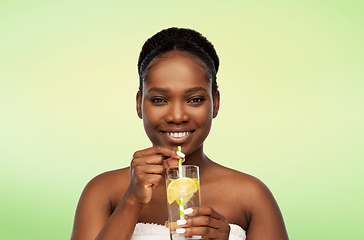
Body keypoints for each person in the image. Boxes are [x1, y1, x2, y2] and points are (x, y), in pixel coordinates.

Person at [70, 27, 289, 240]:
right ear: (139, 104)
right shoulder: (103, 192)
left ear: (215, 104)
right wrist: (131, 202)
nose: (177, 116)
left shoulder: (251, 195)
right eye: (159, 100)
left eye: (194, 99)